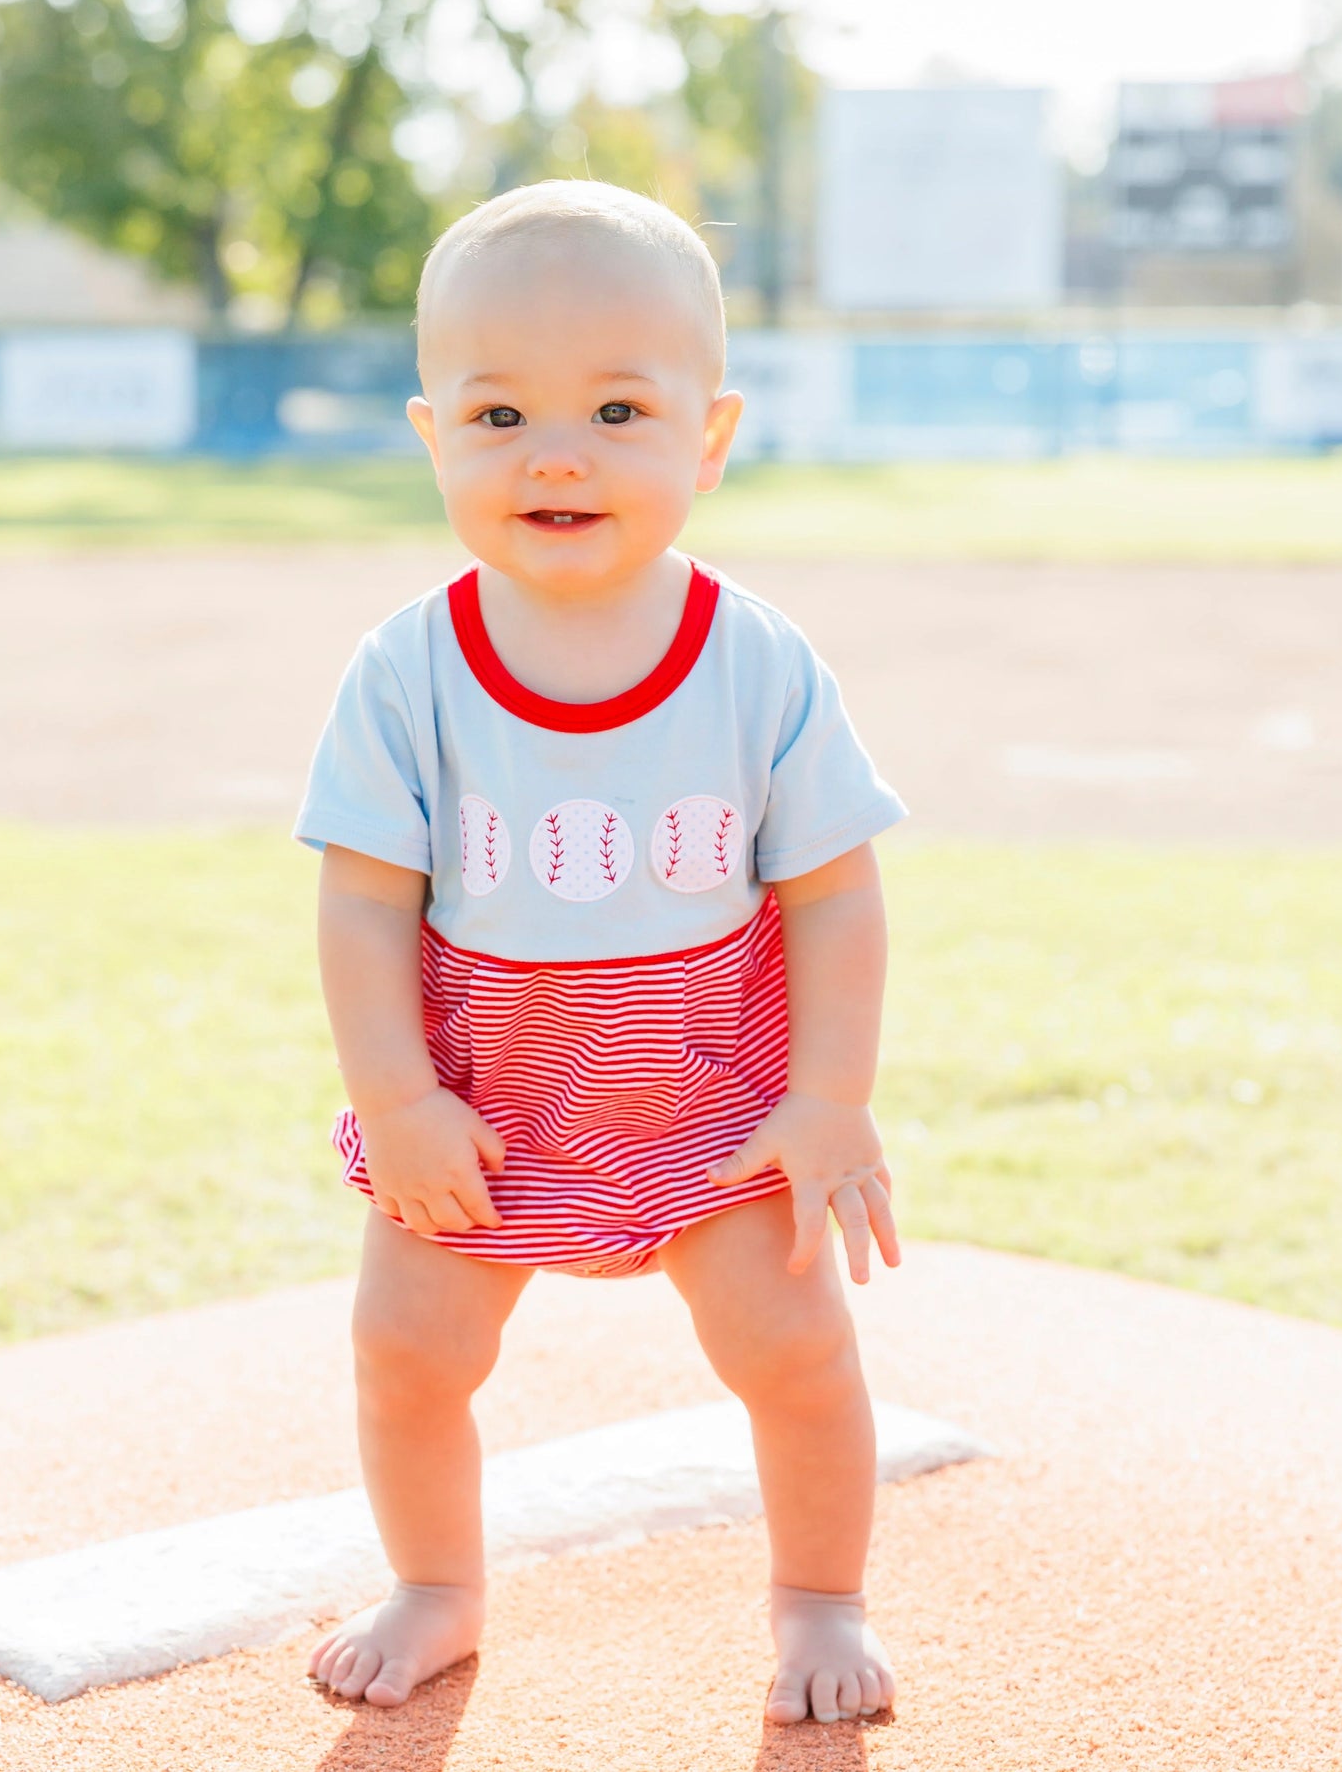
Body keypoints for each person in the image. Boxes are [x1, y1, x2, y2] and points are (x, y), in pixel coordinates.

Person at [292, 178, 908, 1725]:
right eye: (498, 415)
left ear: (709, 436)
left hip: (712, 1100)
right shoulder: (407, 669)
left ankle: (818, 1595)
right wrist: (399, 1099)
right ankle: (437, 1585)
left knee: (795, 1351)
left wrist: (829, 1098)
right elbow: (363, 904)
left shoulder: (756, 660)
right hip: (482, 1104)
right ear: (433, 436)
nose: (554, 454)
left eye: (617, 410)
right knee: (404, 1350)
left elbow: (834, 894)